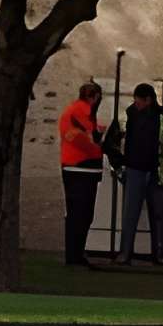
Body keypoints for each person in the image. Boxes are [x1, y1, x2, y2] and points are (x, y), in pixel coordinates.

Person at [116, 81, 163, 266]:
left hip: (156, 170)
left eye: (139, 101)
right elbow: (114, 141)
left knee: (158, 215)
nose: (136, 104)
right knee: (131, 215)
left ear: (148, 100)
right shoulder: (128, 115)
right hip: (136, 169)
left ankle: (158, 253)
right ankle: (126, 253)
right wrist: (121, 164)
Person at [57, 79, 107, 267]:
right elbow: (84, 139)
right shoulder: (81, 112)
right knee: (81, 214)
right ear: (94, 97)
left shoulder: (75, 111)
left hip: (77, 167)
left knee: (79, 214)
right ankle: (74, 255)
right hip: (80, 167)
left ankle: (76, 253)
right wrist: (100, 147)